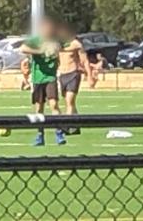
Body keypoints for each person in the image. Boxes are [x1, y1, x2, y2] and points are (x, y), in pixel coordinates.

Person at [18, 17, 65, 146]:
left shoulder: (55, 40)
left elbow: (65, 47)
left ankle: (59, 132)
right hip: (37, 78)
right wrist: (39, 51)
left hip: (50, 78)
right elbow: (22, 49)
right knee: (39, 108)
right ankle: (40, 135)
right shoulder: (35, 40)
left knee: (54, 105)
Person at [58, 23, 95, 136]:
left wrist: (89, 77)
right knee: (69, 103)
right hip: (62, 74)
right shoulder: (58, 45)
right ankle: (76, 125)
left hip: (73, 73)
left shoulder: (76, 44)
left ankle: (67, 126)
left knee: (69, 101)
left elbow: (85, 61)